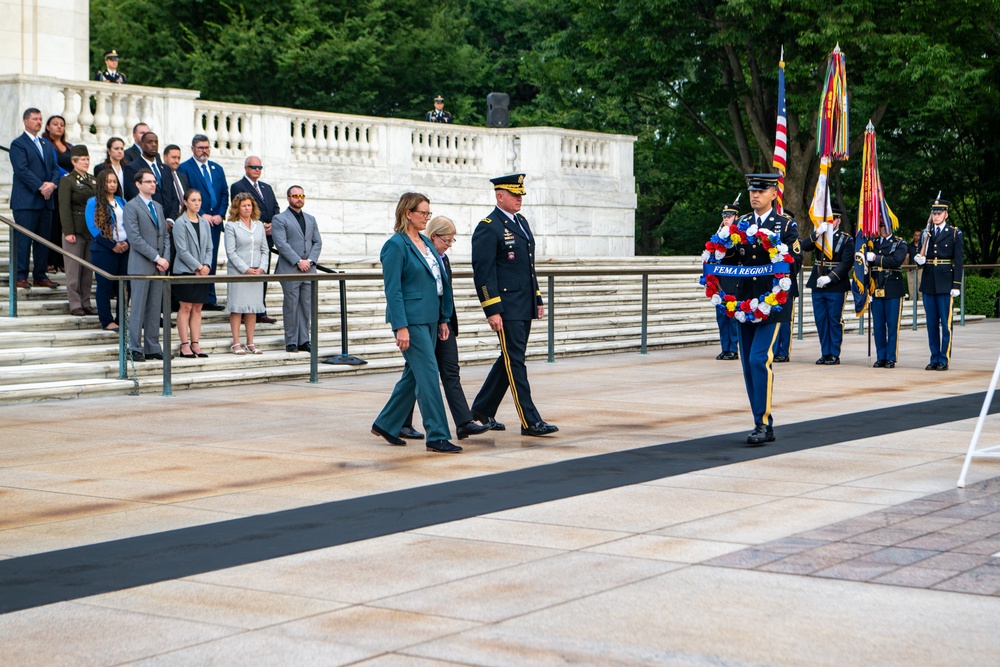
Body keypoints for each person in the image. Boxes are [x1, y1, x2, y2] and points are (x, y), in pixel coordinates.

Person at [371, 193, 461, 454]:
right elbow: (393, 290)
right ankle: (437, 435)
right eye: (423, 213)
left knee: (413, 376)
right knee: (429, 376)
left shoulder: (424, 241)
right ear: (408, 213)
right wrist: (400, 326)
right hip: (411, 321)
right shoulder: (395, 246)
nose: (426, 218)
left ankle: (386, 423)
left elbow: (440, 281)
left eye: (428, 213)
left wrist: (444, 318)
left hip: (432, 318)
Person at [470, 173, 558, 437]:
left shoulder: (521, 222)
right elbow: (483, 273)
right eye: (514, 195)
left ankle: (482, 410)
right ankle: (530, 421)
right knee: (515, 361)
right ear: (500, 196)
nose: (520, 199)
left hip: (524, 303)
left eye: (521, 195)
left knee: (509, 359)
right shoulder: (489, 226)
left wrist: (538, 298)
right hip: (506, 306)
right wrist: (491, 309)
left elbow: (528, 267)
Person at [725, 174, 802, 445]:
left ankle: (765, 423)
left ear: (774, 194)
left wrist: (776, 248)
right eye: (752, 191)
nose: (755, 195)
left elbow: (795, 260)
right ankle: (758, 419)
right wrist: (722, 245)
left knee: (759, 359)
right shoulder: (742, 223)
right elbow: (732, 258)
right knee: (747, 363)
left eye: (762, 190)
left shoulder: (784, 225)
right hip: (745, 301)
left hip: (773, 302)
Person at [400, 217, 491, 441]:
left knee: (450, 371)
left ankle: (464, 422)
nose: (449, 244)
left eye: (452, 240)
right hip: (422, 321)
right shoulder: (419, 255)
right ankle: (400, 422)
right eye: (447, 240)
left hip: (444, 321)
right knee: (416, 374)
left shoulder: (443, 258)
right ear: (434, 237)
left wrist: (445, 319)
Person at [9, 108, 61, 290]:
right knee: (24, 240)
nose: (38, 122)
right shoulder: (18, 144)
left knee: (43, 240)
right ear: (25, 121)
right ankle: (20, 275)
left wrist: (52, 185)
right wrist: (41, 186)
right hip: (26, 201)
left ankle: (40, 274)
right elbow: (22, 170)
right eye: (35, 119)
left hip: (46, 201)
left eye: (40, 119)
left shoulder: (46, 145)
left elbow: (55, 168)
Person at [122, 169, 170, 362]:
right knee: (138, 307)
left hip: (159, 266)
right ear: (138, 184)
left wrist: (164, 258)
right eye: (148, 182)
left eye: (154, 181)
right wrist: (156, 257)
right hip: (141, 264)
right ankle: (133, 347)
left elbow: (165, 234)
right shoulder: (131, 207)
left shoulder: (157, 206)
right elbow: (134, 238)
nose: (152, 185)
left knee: (154, 307)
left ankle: (152, 346)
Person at [178, 134, 228, 310]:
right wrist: (203, 214)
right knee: (197, 259)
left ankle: (209, 297)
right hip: (196, 221)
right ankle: (198, 297)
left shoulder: (217, 168)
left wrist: (220, 214)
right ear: (192, 149)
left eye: (207, 147)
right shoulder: (185, 168)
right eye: (200, 147)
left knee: (211, 258)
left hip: (215, 223)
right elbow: (186, 194)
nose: (204, 151)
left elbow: (224, 193)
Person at [913, 197, 964, 371]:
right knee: (931, 323)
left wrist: (956, 285)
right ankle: (934, 357)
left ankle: (944, 358)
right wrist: (919, 260)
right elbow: (921, 258)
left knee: (946, 323)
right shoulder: (926, 232)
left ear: (946, 214)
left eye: (939, 213)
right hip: (928, 281)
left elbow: (958, 261)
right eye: (933, 213)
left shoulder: (955, 233)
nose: (935, 216)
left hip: (945, 281)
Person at [801, 206, 854, 365]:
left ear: (838, 220)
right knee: (821, 320)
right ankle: (825, 352)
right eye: (827, 220)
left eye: (832, 220)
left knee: (834, 319)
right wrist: (817, 233)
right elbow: (804, 246)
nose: (829, 223)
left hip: (836, 285)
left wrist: (830, 277)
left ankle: (834, 353)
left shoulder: (846, 239)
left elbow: (846, 263)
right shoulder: (820, 236)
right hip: (818, 282)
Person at [271, 185, 322, 353]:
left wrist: (311, 260)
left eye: (301, 195)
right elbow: (281, 244)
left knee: (306, 306)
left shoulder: (311, 219)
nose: (299, 198)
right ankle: (291, 341)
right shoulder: (279, 219)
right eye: (295, 196)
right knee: (291, 305)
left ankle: (304, 340)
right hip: (290, 269)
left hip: (309, 270)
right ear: (288, 198)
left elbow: (317, 242)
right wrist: (298, 261)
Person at [230, 156, 280, 324]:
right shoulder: (238, 186)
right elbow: (239, 209)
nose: (257, 169)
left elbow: (275, 208)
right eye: (253, 167)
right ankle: (245, 311)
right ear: (246, 168)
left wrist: (272, 224)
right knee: (246, 276)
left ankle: (260, 309)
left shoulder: (266, 187)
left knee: (262, 273)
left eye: (260, 167)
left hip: (265, 237)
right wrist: (258, 224)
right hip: (246, 235)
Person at [223, 193, 268, 355]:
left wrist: (261, 268)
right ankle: (236, 342)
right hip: (238, 273)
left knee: (252, 308)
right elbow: (231, 252)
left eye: (249, 205)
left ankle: (250, 342)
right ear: (237, 208)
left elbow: (264, 249)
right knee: (237, 308)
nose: (247, 208)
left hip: (256, 273)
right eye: (244, 205)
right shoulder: (231, 226)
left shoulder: (259, 225)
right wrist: (246, 269)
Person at [172, 189, 213, 359]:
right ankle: (184, 344)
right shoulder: (180, 223)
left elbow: (210, 247)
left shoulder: (204, 223)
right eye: (193, 200)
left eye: (199, 200)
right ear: (185, 202)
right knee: (186, 307)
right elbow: (182, 250)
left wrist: (207, 265)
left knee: (198, 307)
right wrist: (197, 266)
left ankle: (195, 342)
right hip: (185, 270)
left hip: (202, 271)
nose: (197, 203)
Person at [86, 170, 129, 331]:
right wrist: (112, 245)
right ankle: (107, 320)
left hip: (124, 248)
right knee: (105, 285)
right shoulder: (94, 202)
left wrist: (127, 242)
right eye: (108, 182)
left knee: (124, 286)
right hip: (104, 250)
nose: (112, 185)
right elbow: (93, 228)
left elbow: (130, 224)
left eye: (114, 182)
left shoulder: (122, 201)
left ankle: (121, 318)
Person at [57, 145, 97, 316]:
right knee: (73, 270)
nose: (86, 162)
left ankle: (86, 302)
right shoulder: (68, 180)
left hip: (90, 230)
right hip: (75, 228)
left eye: (87, 159)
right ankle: (75, 303)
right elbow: (64, 207)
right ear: (73, 162)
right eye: (83, 159)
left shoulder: (92, 180)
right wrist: (68, 231)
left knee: (87, 270)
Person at [864, 226, 908, 368]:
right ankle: (880, 356)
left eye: (886, 226)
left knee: (892, 325)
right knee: (878, 326)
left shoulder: (900, 243)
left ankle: (890, 357)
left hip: (892, 288)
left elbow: (896, 261)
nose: (883, 229)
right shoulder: (872, 243)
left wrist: (876, 258)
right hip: (876, 286)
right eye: (881, 226)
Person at [43, 115, 73, 274]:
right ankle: (49, 261)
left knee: (64, 226)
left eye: (62, 124)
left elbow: (76, 163)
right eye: (55, 124)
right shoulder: (45, 144)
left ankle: (61, 260)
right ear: (48, 127)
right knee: (52, 227)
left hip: (68, 192)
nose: (59, 127)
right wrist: (69, 177)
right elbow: (52, 165)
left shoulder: (69, 146)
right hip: (53, 191)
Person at [772, 210, 801, 362]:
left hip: (787, 283)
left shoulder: (791, 238)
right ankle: (774, 350)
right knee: (772, 319)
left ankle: (783, 351)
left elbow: (796, 258)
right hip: (771, 283)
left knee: (785, 321)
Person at [714, 202, 740, 361]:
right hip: (721, 279)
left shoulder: (739, 235)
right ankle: (725, 347)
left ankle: (734, 348)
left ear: (736, 217)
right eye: (724, 217)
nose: (726, 219)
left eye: (729, 216)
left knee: (733, 314)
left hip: (734, 277)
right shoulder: (718, 234)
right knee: (722, 315)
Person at [906, 229, 922, 301]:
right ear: (913, 236)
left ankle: (921, 300)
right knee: (911, 284)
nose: (917, 237)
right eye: (916, 235)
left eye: (919, 235)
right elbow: (906, 257)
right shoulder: (909, 246)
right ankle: (912, 299)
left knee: (920, 283)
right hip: (911, 267)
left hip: (921, 268)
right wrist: (907, 267)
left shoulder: (922, 246)